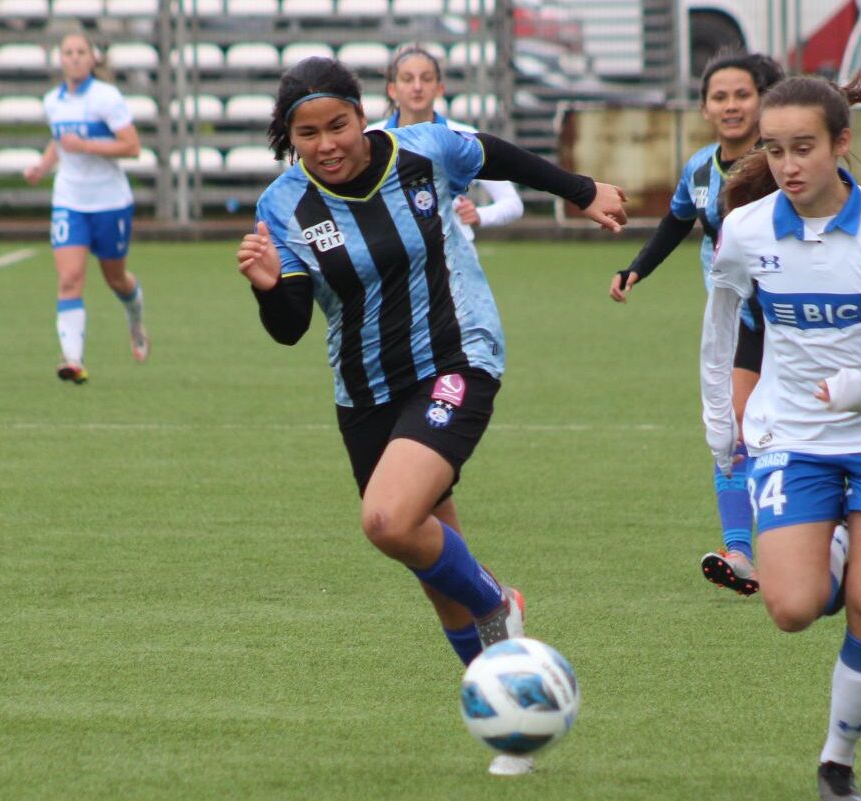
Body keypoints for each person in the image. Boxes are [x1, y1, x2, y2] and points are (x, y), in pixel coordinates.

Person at [234, 57, 626, 777]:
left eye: (338, 125)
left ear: (362, 115)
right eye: (307, 133)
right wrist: (266, 287)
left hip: (455, 358)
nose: (326, 144)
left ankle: (497, 601)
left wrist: (581, 191)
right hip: (364, 394)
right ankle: (512, 727)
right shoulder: (282, 206)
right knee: (428, 557)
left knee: (387, 520)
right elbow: (290, 324)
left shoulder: (423, 150)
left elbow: (497, 154)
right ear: (289, 140)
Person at [700, 74, 861, 801]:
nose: (787, 165)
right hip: (792, 434)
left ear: (842, 143)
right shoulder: (744, 232)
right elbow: (718, 330)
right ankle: (831, 542)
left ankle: (837, 761)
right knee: (790, 607)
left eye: (802, 147)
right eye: (773, 150)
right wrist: (719, 419)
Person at [609, 52, 784, 596]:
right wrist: (636, 268)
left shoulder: (785, 161)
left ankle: (824, 541)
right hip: (738, 327)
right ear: (706, 107)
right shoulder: (700, 168)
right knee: (730, 433)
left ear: (762, 100)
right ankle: (741, 553)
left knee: (804, 433)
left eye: (742, 95)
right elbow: (675, 223)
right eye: (720, 97)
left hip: (797, 323)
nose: (731, 106)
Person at [23, 32, 149, 384]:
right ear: (60, 59)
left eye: (81, 52)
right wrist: (42, 166)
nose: (75, 58)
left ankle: (135, 321)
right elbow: (60, 142)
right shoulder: (53, 101)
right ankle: (72, 360)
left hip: (109, 202)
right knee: (69, 279)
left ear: (92, 59)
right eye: (68, 52)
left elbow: (132, 147)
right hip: (69, 201)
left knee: (116, 279)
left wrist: (87, 145)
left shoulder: (106, 97)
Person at [366, 45, 524, 241]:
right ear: (392, 89)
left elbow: (512, 203)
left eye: (426, 78)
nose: (417, 87)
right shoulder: (371, 138)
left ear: (439, 88)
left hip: (455, 257)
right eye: (407, 79)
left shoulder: (465, 137)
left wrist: (480, 215)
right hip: (395, 258)